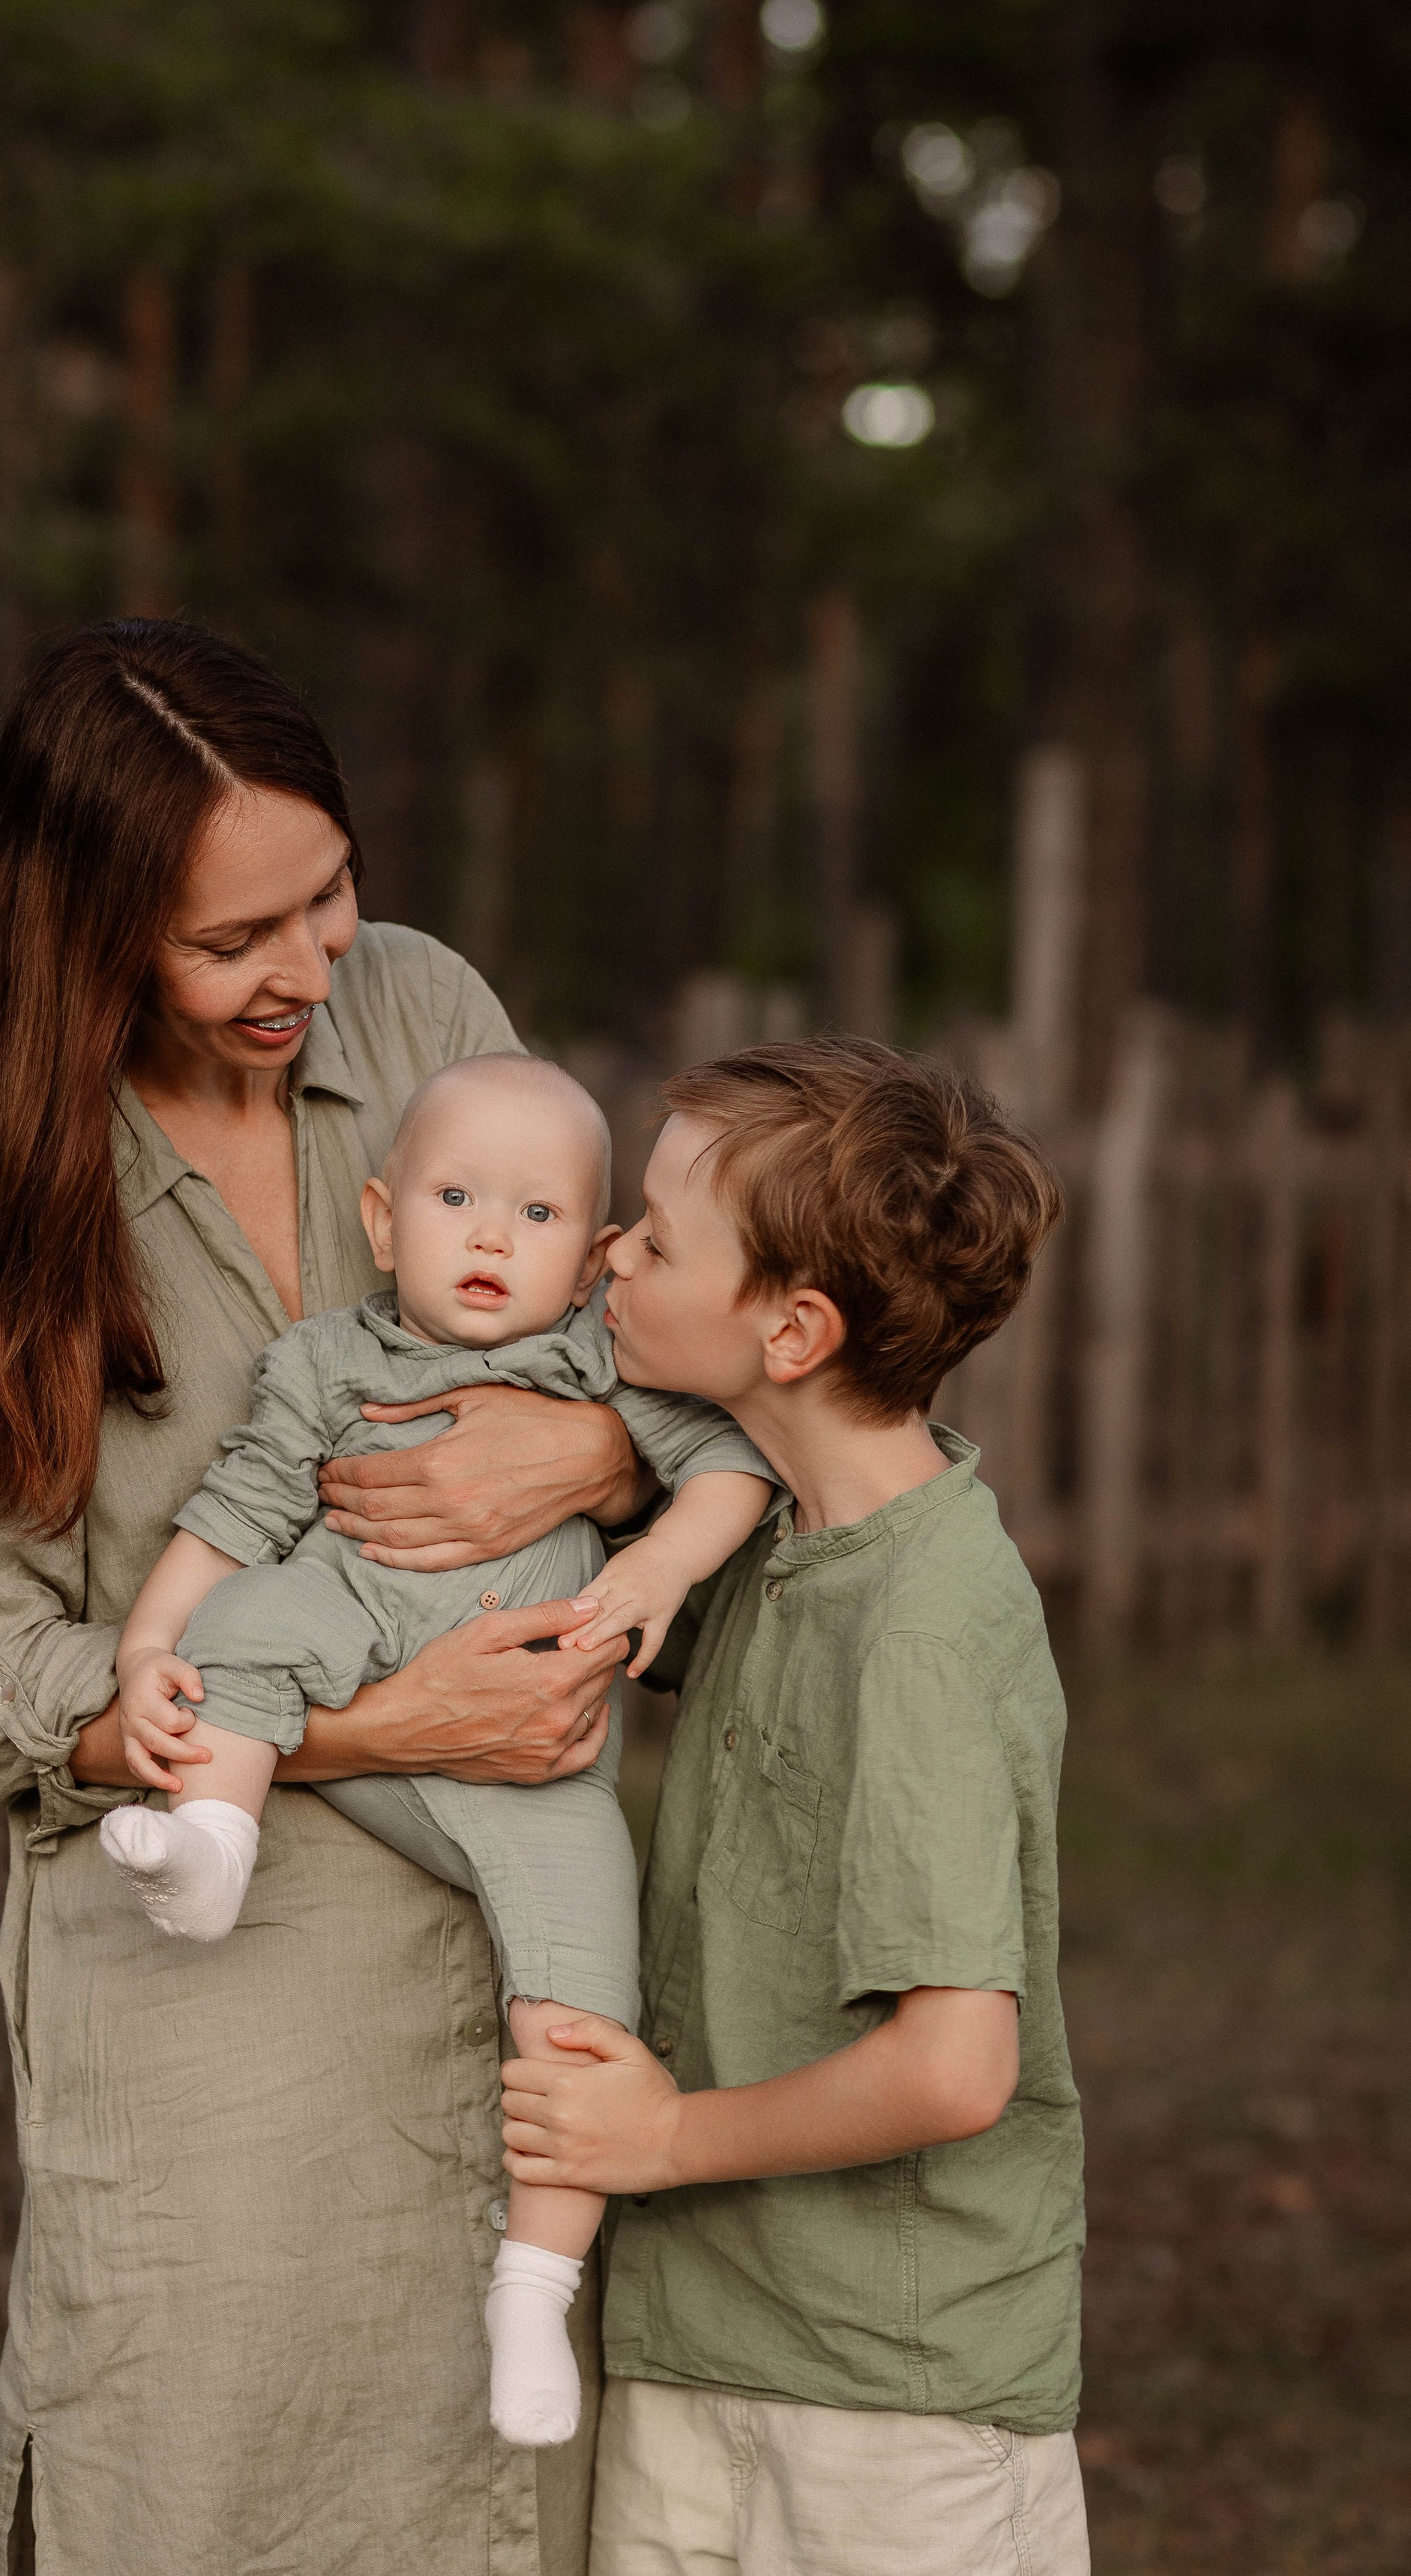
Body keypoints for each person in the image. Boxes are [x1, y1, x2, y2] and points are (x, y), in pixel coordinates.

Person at [0, 618, 649, 2576]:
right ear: (90, 935)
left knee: (495, 2498)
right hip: (215, 2009)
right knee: (200, 2494)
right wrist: (365, 1726)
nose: (312, 963)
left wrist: (592, 1459)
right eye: (235, 939)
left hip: (510, 1947)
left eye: (331, 892)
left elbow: (627, 1333)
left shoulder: (421, 1009)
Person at [103, 1052, 777, 2447]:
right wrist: (145, 1648)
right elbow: (235, 1515)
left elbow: (735, 1469)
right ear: (381, 1219)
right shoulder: (324, 1364)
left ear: (591, 1257)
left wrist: (655, 1566)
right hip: (349, 1640)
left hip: (538, 1752)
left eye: (537, 1216)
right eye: (457, 1199)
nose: (490, 1238)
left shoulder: (596, 1362)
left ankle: (532, 2291)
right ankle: (213, 1850)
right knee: (245, 1624)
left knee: (581, 2012)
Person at [497, 1041, 1089, 2576]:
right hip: (701, 2341)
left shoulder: (921, 1623)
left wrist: (660, 2135)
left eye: (657, 1236)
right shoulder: (776, 1545)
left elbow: (955, 2068)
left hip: (892, 2403)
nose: (610, 1252)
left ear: (793, 1329)